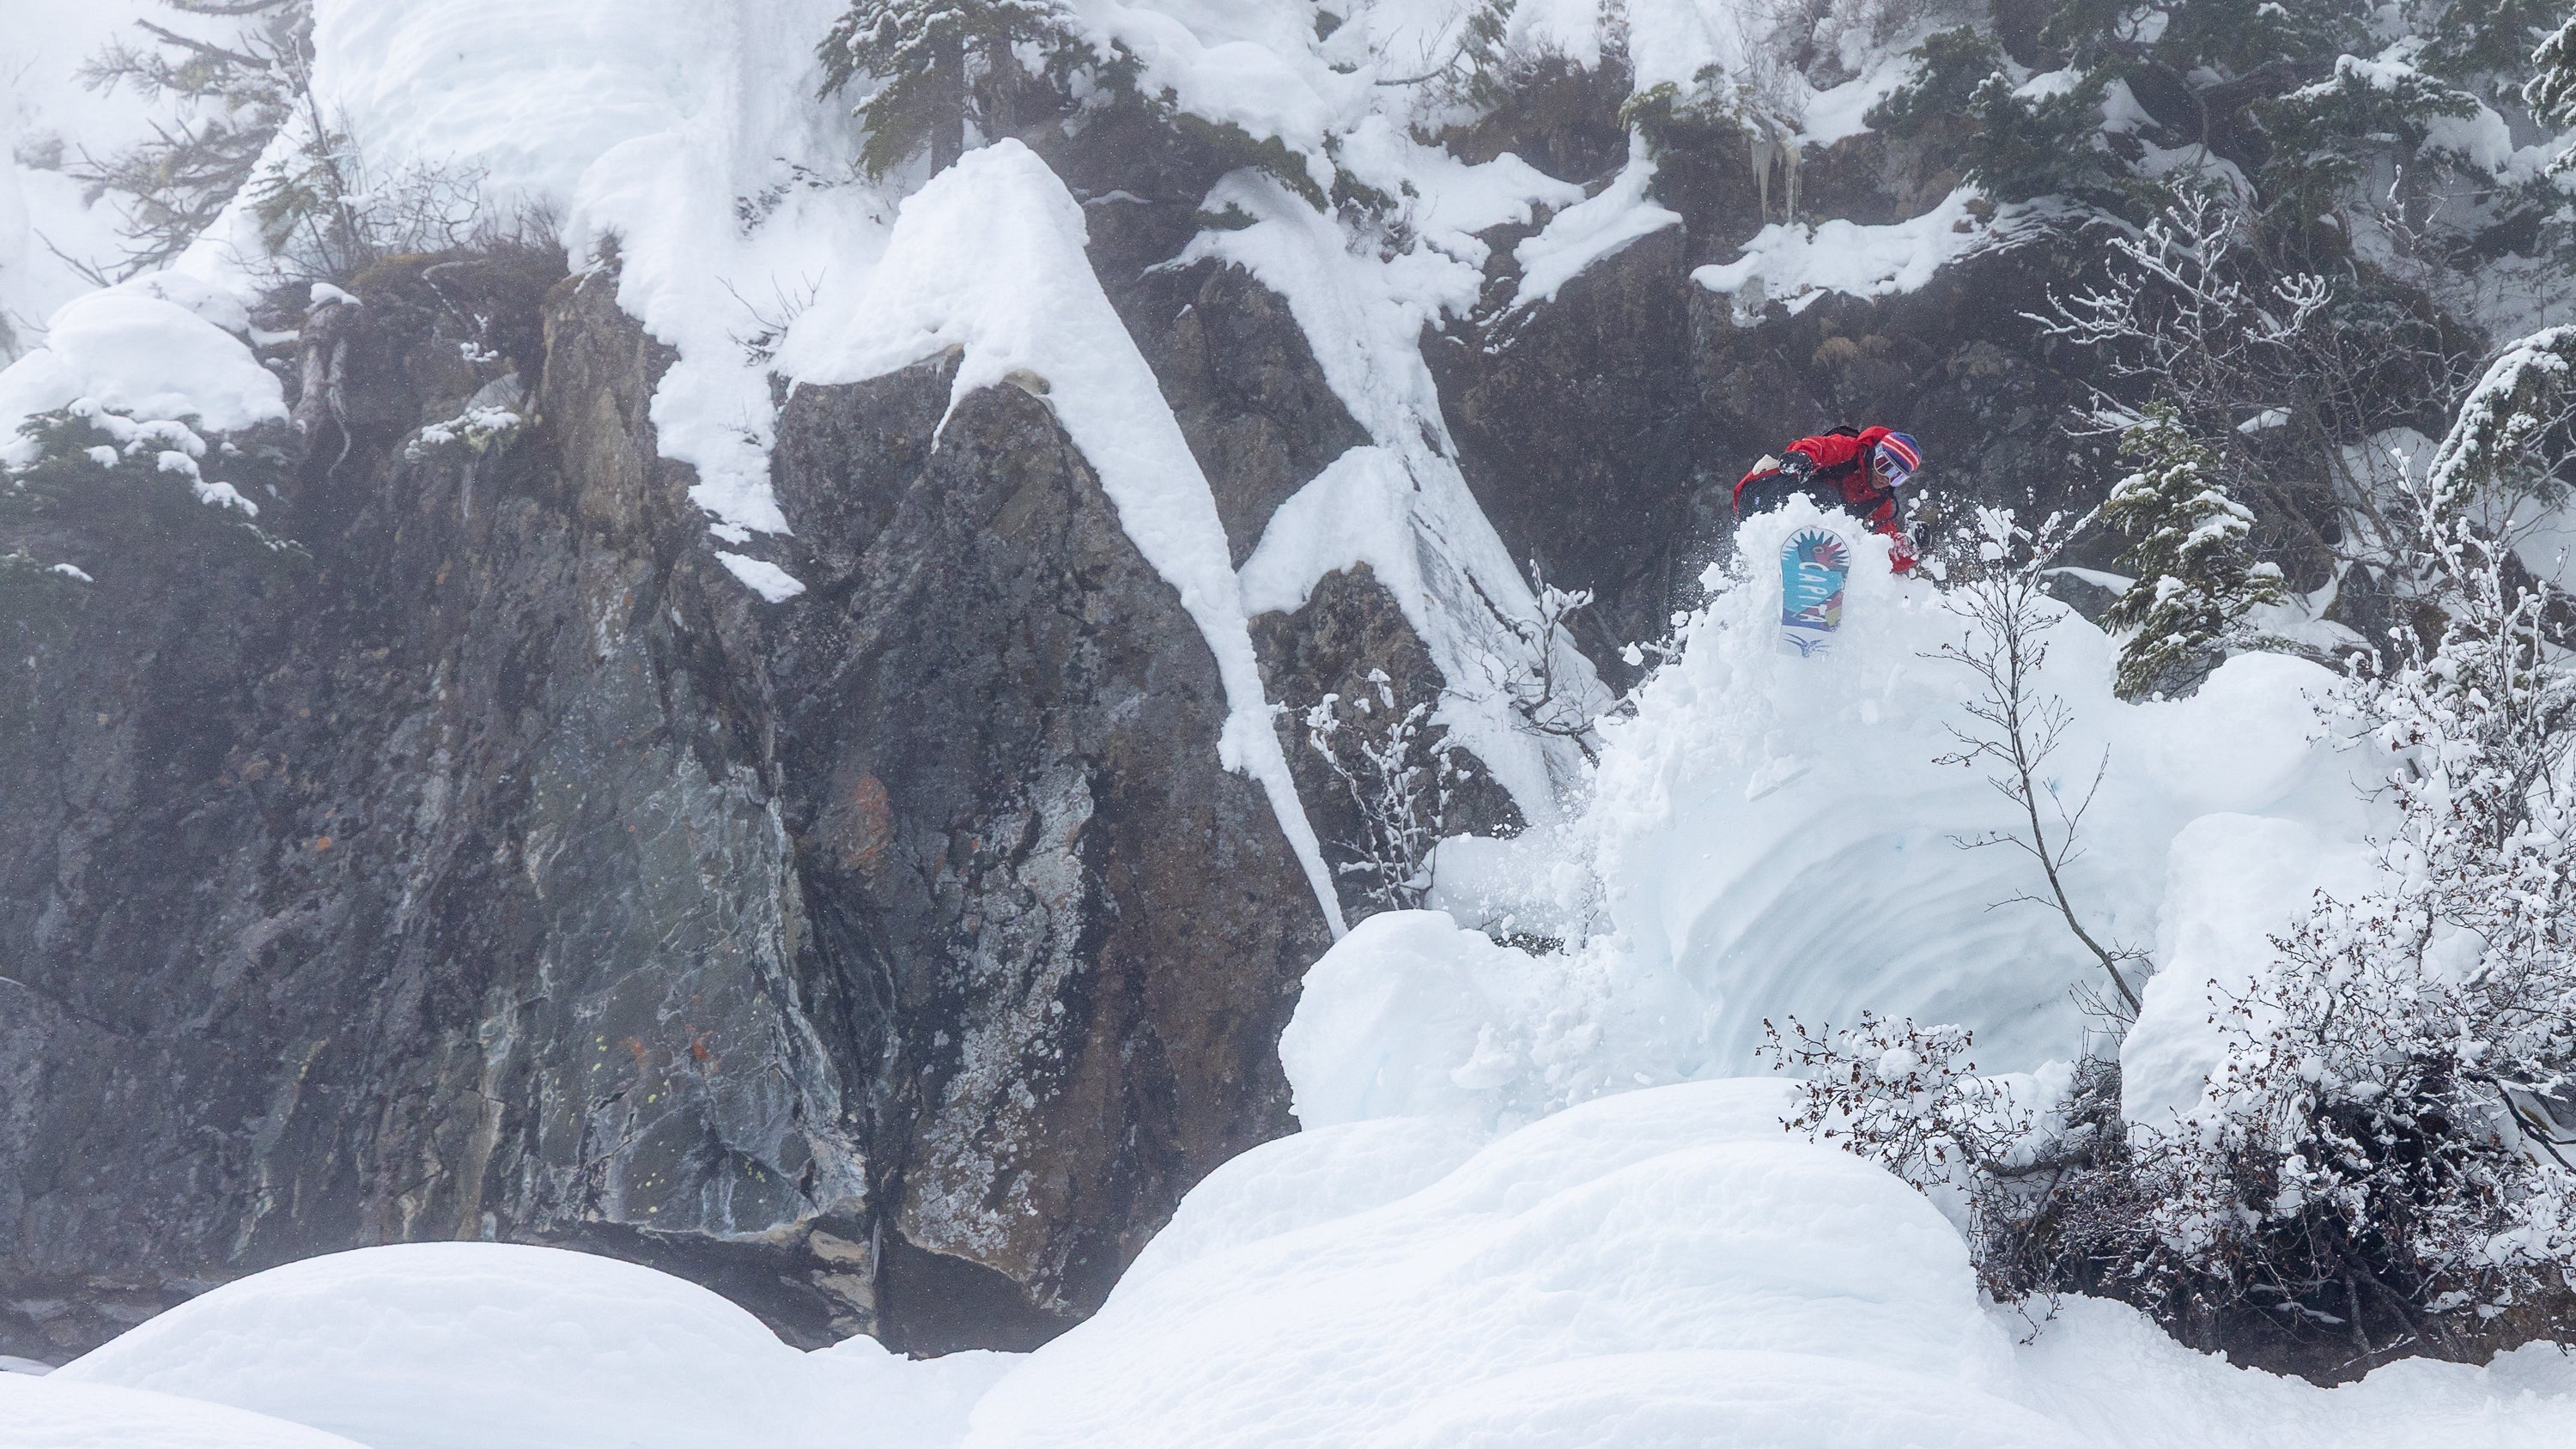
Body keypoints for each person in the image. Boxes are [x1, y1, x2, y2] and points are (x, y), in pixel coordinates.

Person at [1733, 426, 1925, 570]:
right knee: (1830, 502)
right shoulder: (1850, 451)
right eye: (1884, 465)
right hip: (1760, 494)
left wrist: (1910, 547)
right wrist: (1804, 456)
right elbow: (1822, 447)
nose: (1886, 477)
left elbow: (1883, 549)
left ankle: (1797, 576)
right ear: (1875, 454)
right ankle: (1809, 559)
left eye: (1896, 476)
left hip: (1781, 532)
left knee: (1849, 537)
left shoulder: (1878, 502)